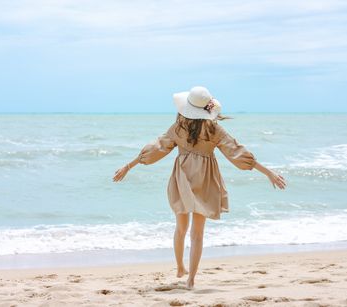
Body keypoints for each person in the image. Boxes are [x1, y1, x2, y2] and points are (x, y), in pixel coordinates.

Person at [112, 86, 286, 289]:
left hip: (183, 177)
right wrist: (268, 172)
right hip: (205, 178)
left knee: (181, 228)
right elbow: (237, 152)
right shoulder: (214, 129)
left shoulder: (178, 127)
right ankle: (191, 280)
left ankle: (179, 267)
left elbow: (156, 149)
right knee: (197, 233)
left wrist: (129, 165)